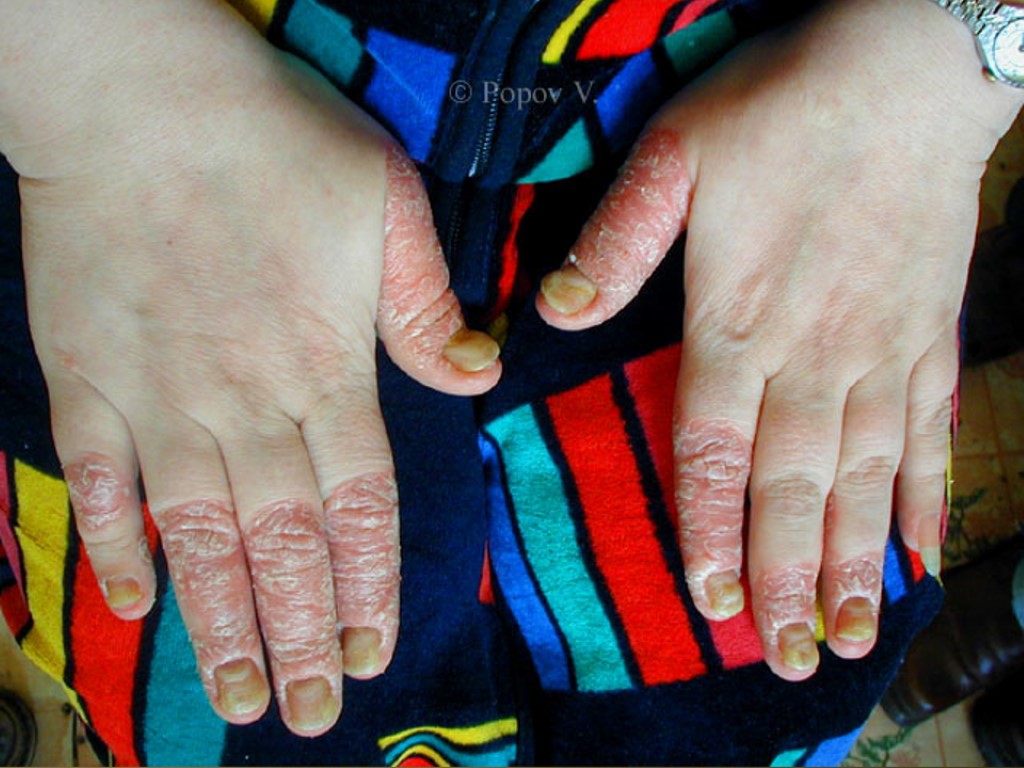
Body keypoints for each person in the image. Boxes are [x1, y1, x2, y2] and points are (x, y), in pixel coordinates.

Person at [0, 0, 1021, 763]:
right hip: (139, 126)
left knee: (786, 677)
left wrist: (948, 54)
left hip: (814, 94)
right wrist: (82, 72)